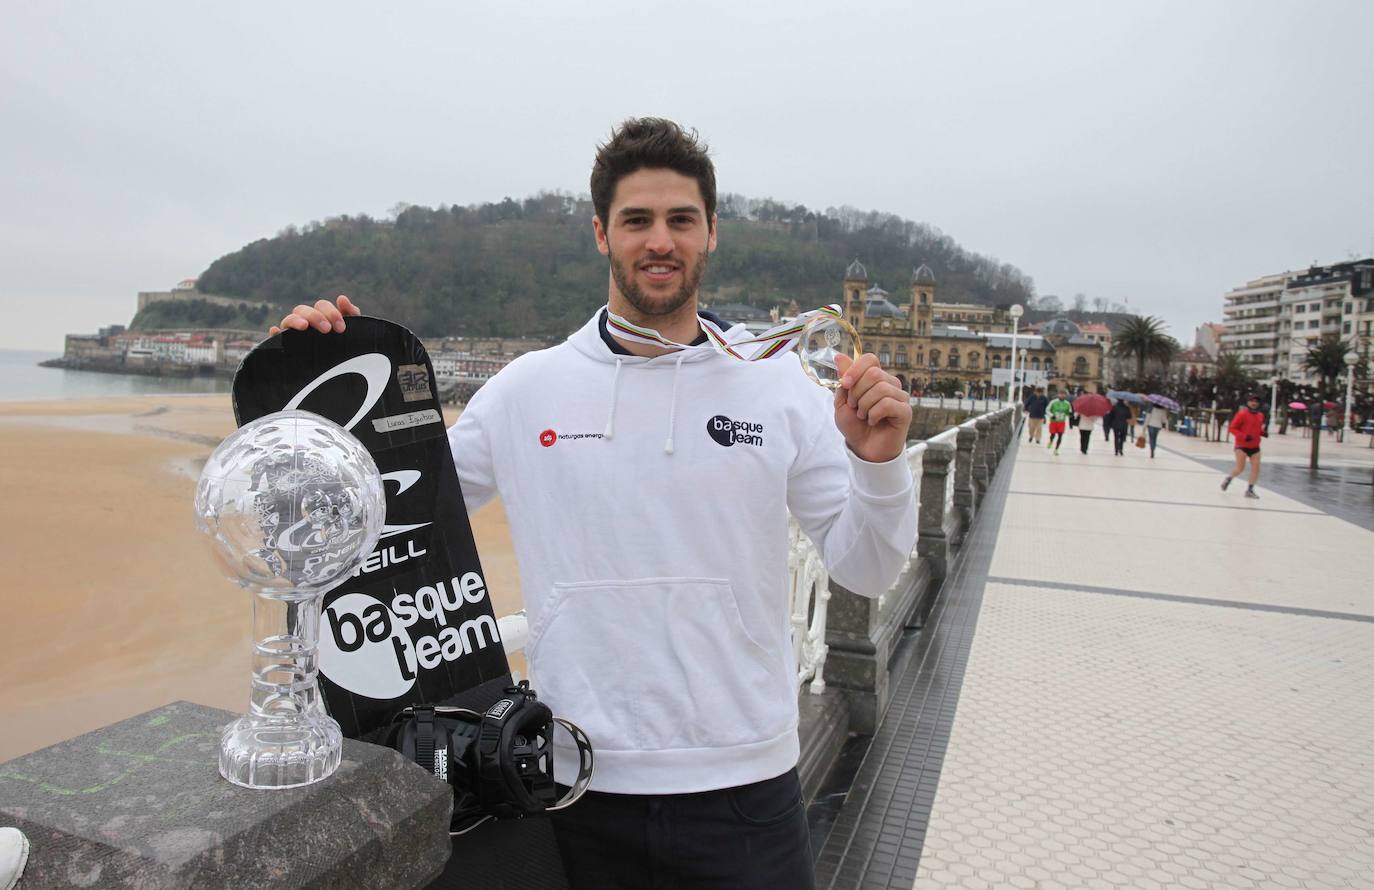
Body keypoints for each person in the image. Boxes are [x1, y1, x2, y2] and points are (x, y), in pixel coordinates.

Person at [273, 118, 916, 890]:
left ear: (711, 233)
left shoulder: (780, 384)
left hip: (746, 787)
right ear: (600, 234)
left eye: (681, 220)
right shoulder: (526, 390)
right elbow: (388, 514)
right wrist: (318, 396)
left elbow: (870, 568)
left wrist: (876, 466)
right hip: (571, 782)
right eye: (636, 220)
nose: (660, 240)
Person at [1222, 393, 1266, 498]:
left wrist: (1263, 433)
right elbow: (1232, 428)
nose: (1254, 403)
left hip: (1255, 446)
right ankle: (1229, 479)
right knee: (1240, 468)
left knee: (1256, 468)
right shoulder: (1242, 414)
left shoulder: (1260, 415)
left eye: (1256, 401)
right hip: (1241, 445)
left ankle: (1250, 490)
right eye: (1252, 401)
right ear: (1248, 402)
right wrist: (1243, 436)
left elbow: (1257, 428)